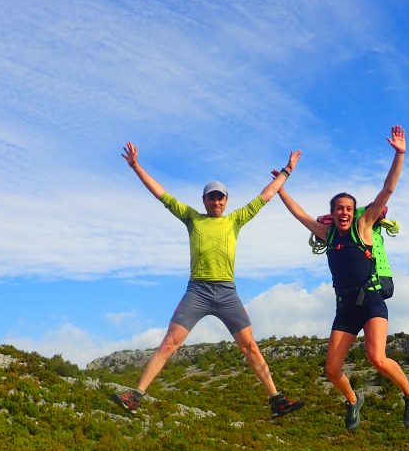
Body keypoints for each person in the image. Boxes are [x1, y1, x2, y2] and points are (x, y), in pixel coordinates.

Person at [111, 142, 304, 419]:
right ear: (204, 201)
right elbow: (161, 194)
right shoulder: (192, 219)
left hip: (227, 292)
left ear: (226, 200)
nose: (217, 202)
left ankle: (276, 400)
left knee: (249, 345)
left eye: (221, 198)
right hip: (198, 291)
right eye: (212, 198)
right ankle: (136, 395)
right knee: (169, 344)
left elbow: (265, 196)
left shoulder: (235, 220)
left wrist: (287, 171)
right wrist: (136, 167)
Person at [275, 125, 409, 429]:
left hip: (370, 300)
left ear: (355, 212)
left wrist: (400, 154)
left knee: (376, 358)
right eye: (339, 208)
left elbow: (388, 190)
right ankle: (354, 401)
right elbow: (299, 213)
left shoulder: (363, 226)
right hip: (344, 307)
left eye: (348, 209)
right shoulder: (327, 234)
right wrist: (281, 184)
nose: (344, 213)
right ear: (332, 211)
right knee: (331, 370)